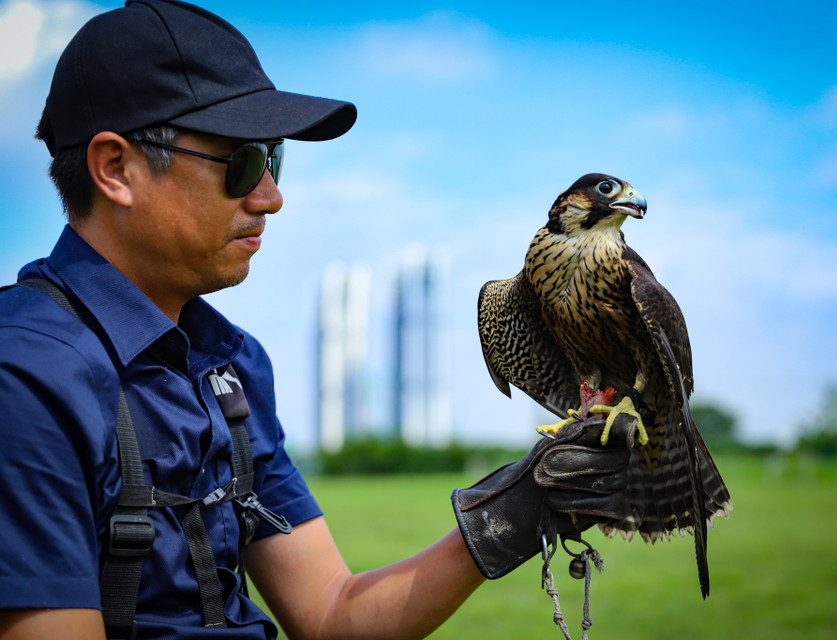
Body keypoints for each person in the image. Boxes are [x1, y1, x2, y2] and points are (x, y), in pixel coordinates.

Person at [0, 2, 634, 638]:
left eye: (275, 158)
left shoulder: (230, 367)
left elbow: (331, 614)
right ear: (116, 169)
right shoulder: (26, 373)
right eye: (242, 162)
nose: (271, 195)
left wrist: (513, 514)